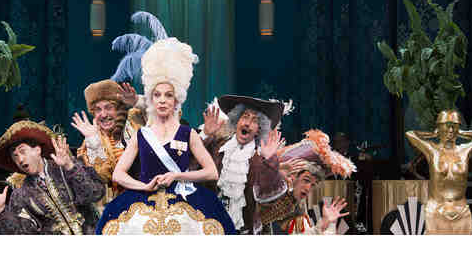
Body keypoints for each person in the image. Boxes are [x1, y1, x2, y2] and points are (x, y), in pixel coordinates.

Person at [95, 37, 236, 235]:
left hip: (185, 200)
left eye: (168, 95)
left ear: (176, 100)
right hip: (143, 200)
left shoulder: (188, 134)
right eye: (157, 95)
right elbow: (118, 174)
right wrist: (144, 187)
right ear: (151, 99)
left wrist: (177, 176)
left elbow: (211, 172)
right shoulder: (140, 135)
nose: (162, 100)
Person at [195, 95, 306, 233]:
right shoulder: (218, 148)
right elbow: (192, 167)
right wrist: (205, 135)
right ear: (237, 121)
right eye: (245, 117)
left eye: (254, 120)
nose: (247, 123)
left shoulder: (259, 160)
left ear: (259, 129)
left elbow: (268, 199)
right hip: (209, 226)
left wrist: (269, 160)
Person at [0, 120, 104, 234]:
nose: (20, 159)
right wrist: (1, 210)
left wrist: (70, 166)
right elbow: (23, 236)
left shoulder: (65, 167)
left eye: (22, 151)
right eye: (15, 156)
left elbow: (95, 194)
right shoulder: (20, 194)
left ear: (37, 150)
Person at [71, 80, 143, 228]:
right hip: (120, 210)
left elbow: (163, 111)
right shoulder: (91, 141)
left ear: (118, 108)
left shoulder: (135, 120)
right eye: (98, 110)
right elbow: (103, 178)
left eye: (108, 107)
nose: (103, 114)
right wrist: (93, 141)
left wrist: (137, 101)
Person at [257, 129, 355, 235]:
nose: (308, 188)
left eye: (313, 185)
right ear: (293, 177)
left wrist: (325, 223)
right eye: (306, 180)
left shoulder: (296, 208)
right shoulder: (269, 192)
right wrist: (272, 169)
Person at [406, 109, 472, 234]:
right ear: (439, 127)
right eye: (447, 126)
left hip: (461, 210)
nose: (450, 130)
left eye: (454, 126)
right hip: (436, 210)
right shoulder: (432, 150)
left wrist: (461, 132)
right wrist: (433, 134)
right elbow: (410, 134)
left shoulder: (465, 151)